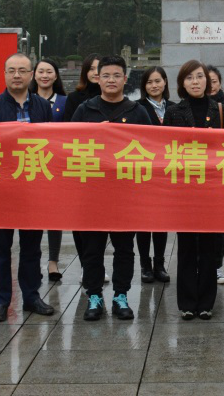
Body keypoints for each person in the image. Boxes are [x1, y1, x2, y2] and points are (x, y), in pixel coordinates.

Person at [69, 55, 153, 321]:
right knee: (92, 248)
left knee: (125, 247)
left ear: (125, 79)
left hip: (125, 195)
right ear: (98, 78)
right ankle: (93, 296)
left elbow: (151, 148)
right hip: (91, 194)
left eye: (117, 75)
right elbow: (68, 145)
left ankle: (121, 295)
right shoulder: (85, 110)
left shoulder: (137, 112)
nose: (111, 80)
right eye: (106, 75)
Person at [0, 53, 56, 322]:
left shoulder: (43, 107)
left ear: (32, 74)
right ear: (4, 74)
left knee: (32, 247)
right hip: (1, 190)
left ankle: (32, 296)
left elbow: (53, 143)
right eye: (12, 70)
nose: (17, 75)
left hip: (33, 188)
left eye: (23, 70)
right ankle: (0, 301)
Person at [164, 60, 224, 319]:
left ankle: (206, 302)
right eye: (189, 78)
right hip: (184, 190)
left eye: (199, 77)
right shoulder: (173, 112)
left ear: (208, 81)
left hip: (212, 190)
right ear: (182, 83)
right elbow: (164, 150)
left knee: (209, 245)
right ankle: (186, 303)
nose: (195, 82)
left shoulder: (221, 111)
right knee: (185, 246)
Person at [30, 57, 68, 282]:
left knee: (55, 217)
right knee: (32, 216)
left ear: (56, 76)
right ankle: (33, 259)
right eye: (40, 71)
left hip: (56, 165)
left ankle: (53, 260)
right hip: (31, 163)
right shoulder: (27, 101)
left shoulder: (65, 101)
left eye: (49, 72)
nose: (44, 75)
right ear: (34, 75)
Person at [136, 66, 173, 284]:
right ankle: (145, 265)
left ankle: (159, 263)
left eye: (158, 81)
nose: (154, 86)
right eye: (149, 82)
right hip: (144, 171)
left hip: (166, 173)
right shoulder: (137, 108)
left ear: (165, 82)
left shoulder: (176, 108)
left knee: (161, 221)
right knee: (144, 222)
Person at [206, 64, 224, 284]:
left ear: (220, 83)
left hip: (220, 176)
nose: (209, 85)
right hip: (194, 175)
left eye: (213, 81)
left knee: (218, 227)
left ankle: (215, 266)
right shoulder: (181, 110)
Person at [63, 53, 101, 119]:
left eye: (99, 68)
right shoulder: (73, 98)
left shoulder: (111, 97)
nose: (96, 73)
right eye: (91, 69)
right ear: (85, 71)